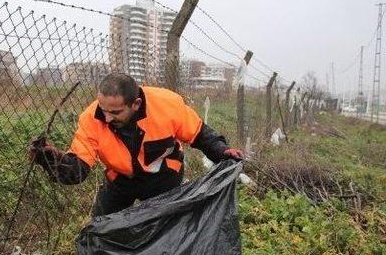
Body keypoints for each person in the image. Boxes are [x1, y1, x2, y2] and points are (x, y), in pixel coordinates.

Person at [29, 73, 243, 216]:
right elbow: (77, 170)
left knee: (163, 227)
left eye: (115, 112)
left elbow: (199, 134)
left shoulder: (166, 105)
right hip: (121, 178)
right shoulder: (91, 119)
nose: (107, 118)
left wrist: (222, 151)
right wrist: (49, 159)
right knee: (102, 224)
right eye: (103, 109)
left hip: (164, 176)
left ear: (136, 104)